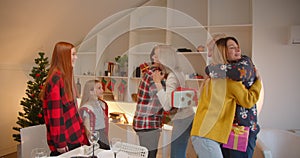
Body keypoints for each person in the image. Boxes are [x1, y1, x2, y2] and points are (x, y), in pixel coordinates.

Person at [190, 38, 262, 158]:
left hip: (204, 133)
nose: (238, 50)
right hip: (208, 135)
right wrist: (258, 81)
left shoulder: (211, 77)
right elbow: (248, 100)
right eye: (232, 47)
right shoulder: (230, 81)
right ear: (224, 53)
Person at [40, 41, 88, 156]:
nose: (76, 58)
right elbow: (55, 115)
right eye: (73, 55)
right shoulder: (56, 80)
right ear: (64, 56)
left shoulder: (63, 77)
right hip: (67, 141)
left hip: (74, 137)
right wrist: (60, 143)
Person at [152, 45, 195, 158]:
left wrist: (157, 83)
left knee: (176, 154)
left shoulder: (172, 77)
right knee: (179, 151)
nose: (153, 58)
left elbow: (167, 105)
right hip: (187, 116)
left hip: (182, 119)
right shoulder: (177, 73)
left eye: (156, 56)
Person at [132, 45, 168, 158]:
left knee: (147, 154)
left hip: (145, 123)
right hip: (148, 123)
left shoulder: (152, 72)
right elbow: (160, 99)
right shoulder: (155, 74)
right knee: (150, 155)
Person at [79, 79, 110, 150]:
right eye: (99, 88)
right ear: (91, 91)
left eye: (101, 88)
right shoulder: (87, 108)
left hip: (103, 136)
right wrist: (92, 142)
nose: (102, 90)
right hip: (96, 137)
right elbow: (88, 130)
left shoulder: (102, 105)